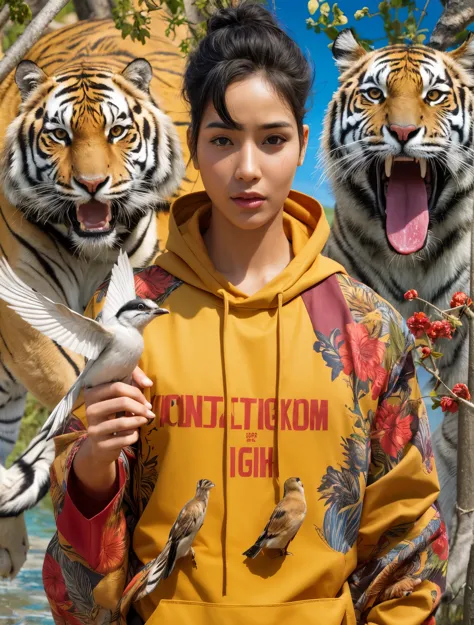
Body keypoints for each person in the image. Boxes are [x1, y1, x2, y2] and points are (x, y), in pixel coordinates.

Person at [42, 3, 447, 624]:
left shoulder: (368, 327)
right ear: (193, 147)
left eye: (273, 139)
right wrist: (92, 474)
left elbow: (410, 547)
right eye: (224, 141)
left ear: (304, 143)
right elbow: (74, 578)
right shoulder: (128, 318)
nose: (248, 168)